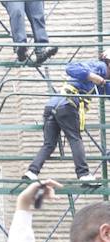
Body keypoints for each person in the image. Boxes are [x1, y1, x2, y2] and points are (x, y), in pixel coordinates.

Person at [24, 54, 110, 184]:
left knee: (49, 144)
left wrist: (101, 81)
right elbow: (71, 67)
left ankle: (32, 172)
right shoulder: (100, 67)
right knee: (75, 138)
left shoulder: (104, 79)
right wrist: (92, 76)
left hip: (52, 106)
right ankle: (84, 174)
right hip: (67, 105)